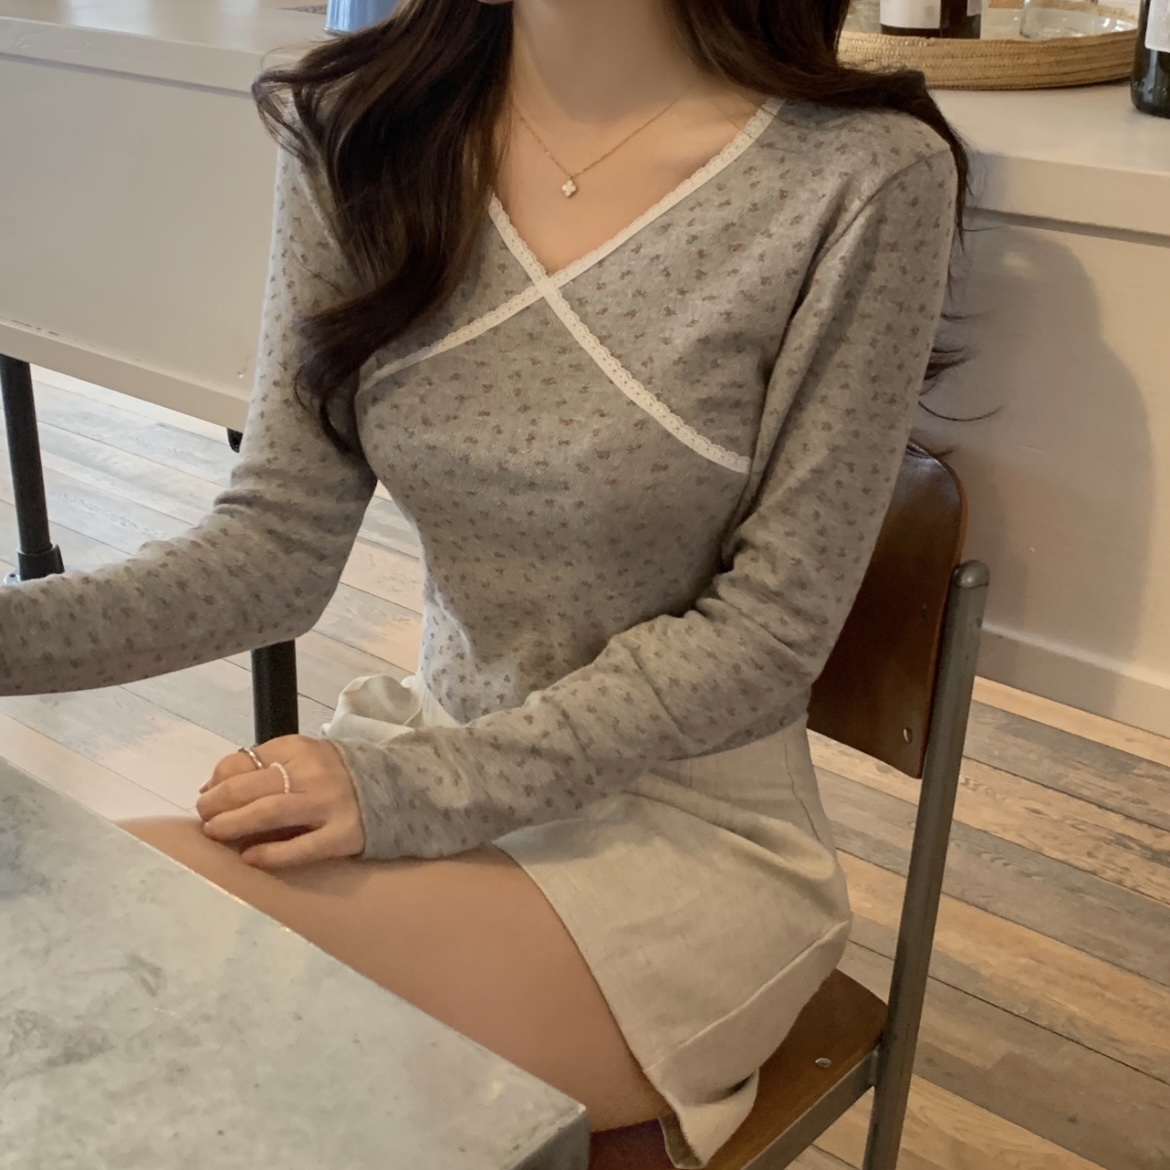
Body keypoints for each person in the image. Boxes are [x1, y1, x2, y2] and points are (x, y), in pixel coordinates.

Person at [0, 0, 967, 1165]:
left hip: (686, 836)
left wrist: (422, 789)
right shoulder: (359, 130)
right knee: (86, 984)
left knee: (123, 992)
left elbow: (770, 634)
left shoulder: (863, 178)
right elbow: (273, 546)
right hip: (432, 757)